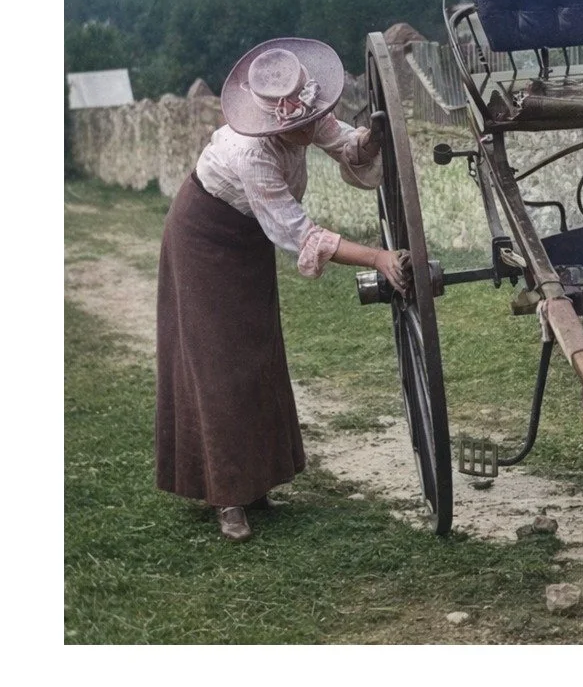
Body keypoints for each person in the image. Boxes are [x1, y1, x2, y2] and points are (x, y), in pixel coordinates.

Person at [155, 38, 410, 542]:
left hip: (247, 238)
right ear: (272, 120)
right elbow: (302, 234)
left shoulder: (307, 110)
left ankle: (258, 481)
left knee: (258, 353)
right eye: (291, 126)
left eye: (306, 121)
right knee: (218, 361)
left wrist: (373, 139)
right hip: (203, 236)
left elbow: (345, 145)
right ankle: (227, 496)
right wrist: (379, 257)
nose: (303, 130)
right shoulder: (252, 151)